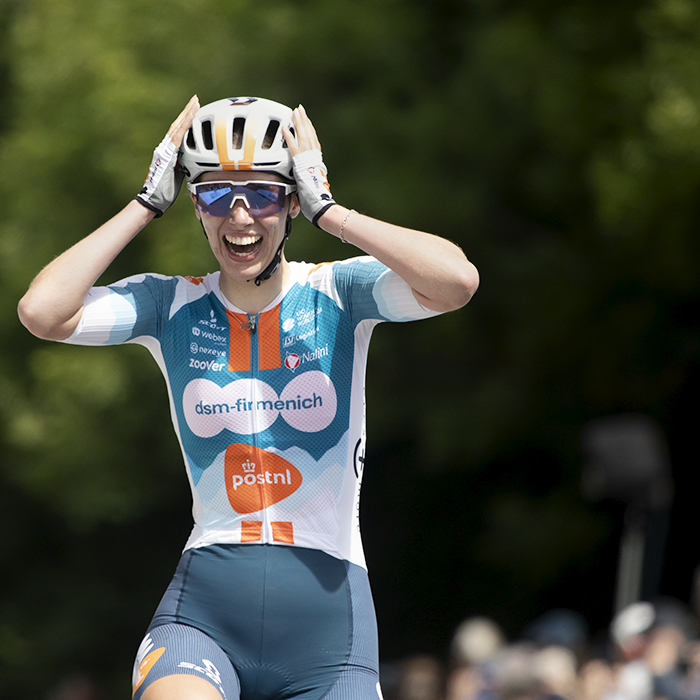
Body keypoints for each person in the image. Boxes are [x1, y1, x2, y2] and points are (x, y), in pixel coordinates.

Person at [18, 94, 479, 700]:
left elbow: (456, 282)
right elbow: (42, 312)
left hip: (330, 634)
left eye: (261, 194)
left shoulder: (340, 292)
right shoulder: (169, 305)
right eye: (215, 196)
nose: (239, 217)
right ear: (195, 206)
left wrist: (332, 212)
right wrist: (143, 203)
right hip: (205, 616)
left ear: (290, 202)